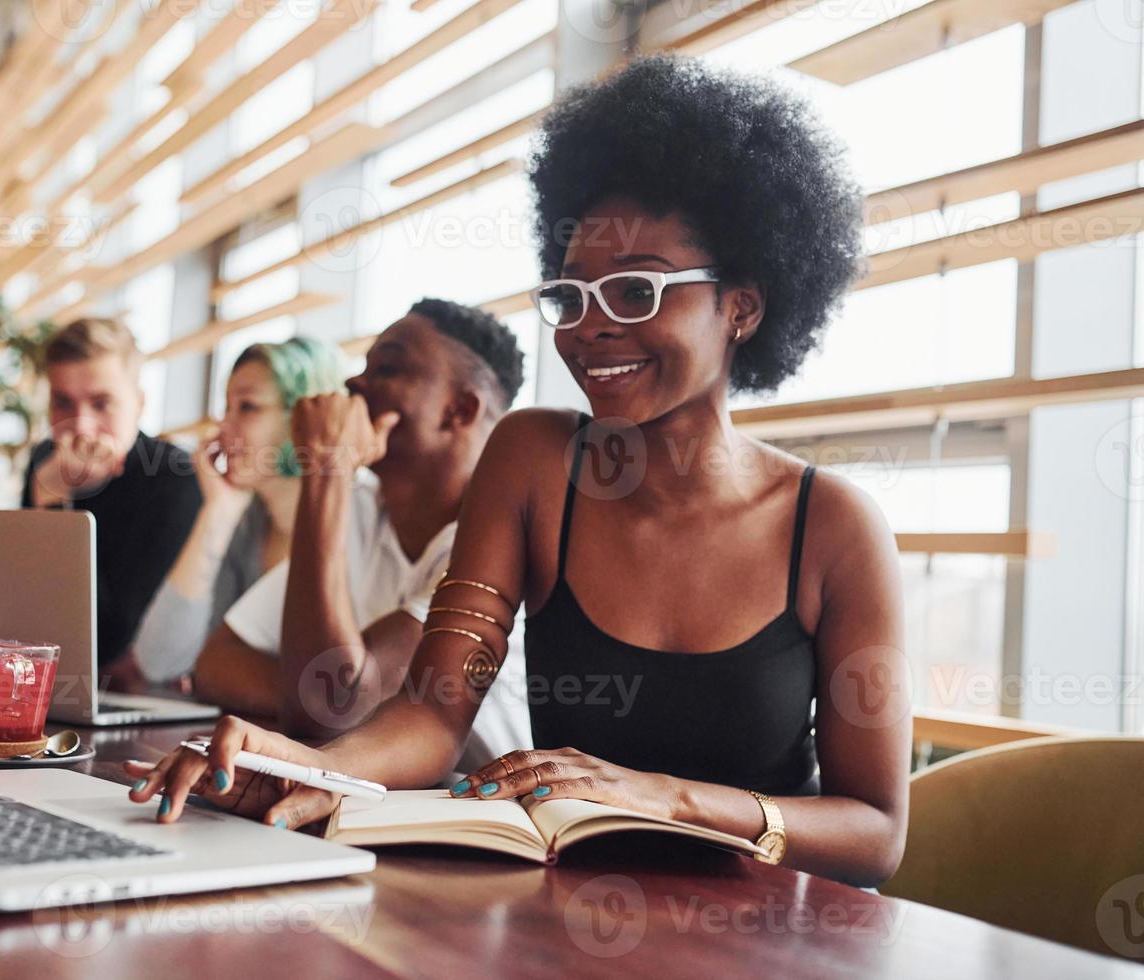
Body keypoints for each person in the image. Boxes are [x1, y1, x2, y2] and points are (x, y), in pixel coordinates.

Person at [127, 56, 910, 888]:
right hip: (568, 916)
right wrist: (305, 764)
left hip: (765, 936)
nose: (592, 329)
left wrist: (667, 800)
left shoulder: (834, 529)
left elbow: (876, 832)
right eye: (572, 297)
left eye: (638, 292)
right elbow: (432, 714)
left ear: (742, 307)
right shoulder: (536, 461)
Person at [188, 299, 528, 766]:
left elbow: (330, 706)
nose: (353, 385)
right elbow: (216, 664)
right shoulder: (364, 509)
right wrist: (309, 692)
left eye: (386, 368)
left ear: (460, 409)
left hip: (479, 816)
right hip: (370, 795)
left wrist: (327, 467)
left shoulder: (500, 536)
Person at [132, 337, 347, 683]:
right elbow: (158, 661)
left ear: (304, 417)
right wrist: (218, 512)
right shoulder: (248, 525)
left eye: (247, 407)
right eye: (226, 408)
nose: (223, 428)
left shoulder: (360, 520)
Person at [21, 317, 201, 683]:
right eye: (63, 403)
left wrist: (55, 502)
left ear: (138, 403)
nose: (81, 426)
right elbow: (29, 608)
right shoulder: (46, 460)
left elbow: (105, 642)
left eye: (102, 404)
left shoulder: (173, 476)